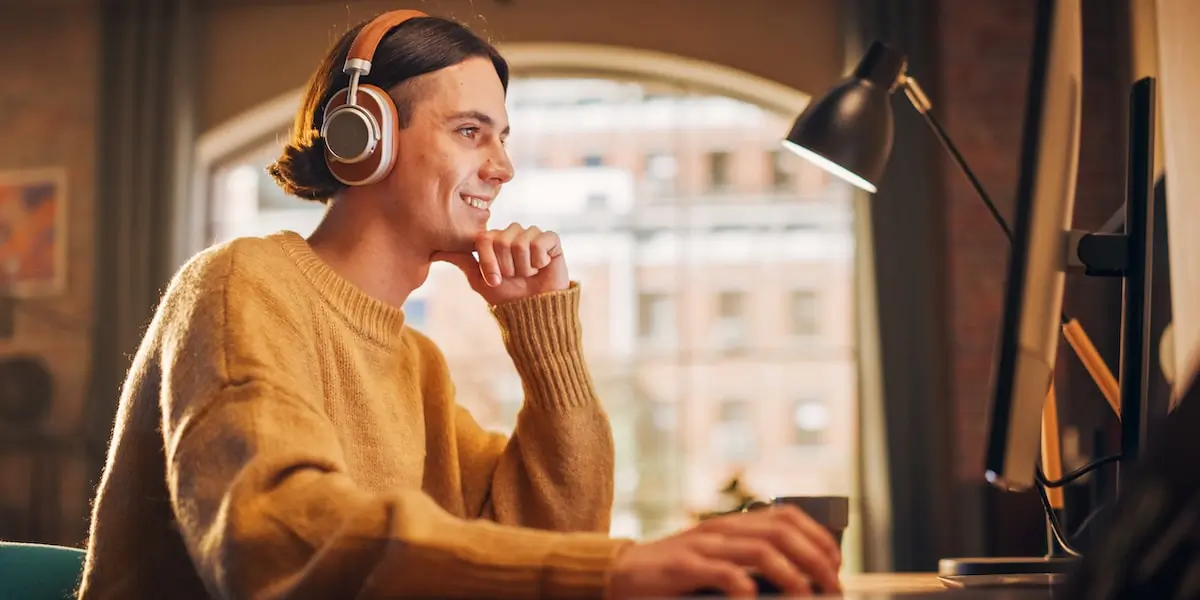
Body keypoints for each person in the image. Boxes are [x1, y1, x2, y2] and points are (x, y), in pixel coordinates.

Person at [78, 9, 843, 599]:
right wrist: (616, 570)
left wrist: (544, 343)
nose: (503, 167)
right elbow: (276, 533)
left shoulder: (418, 365)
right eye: (471, 132)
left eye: (503, 137)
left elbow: (551, 537)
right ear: (364, 136)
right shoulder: (241, 285)